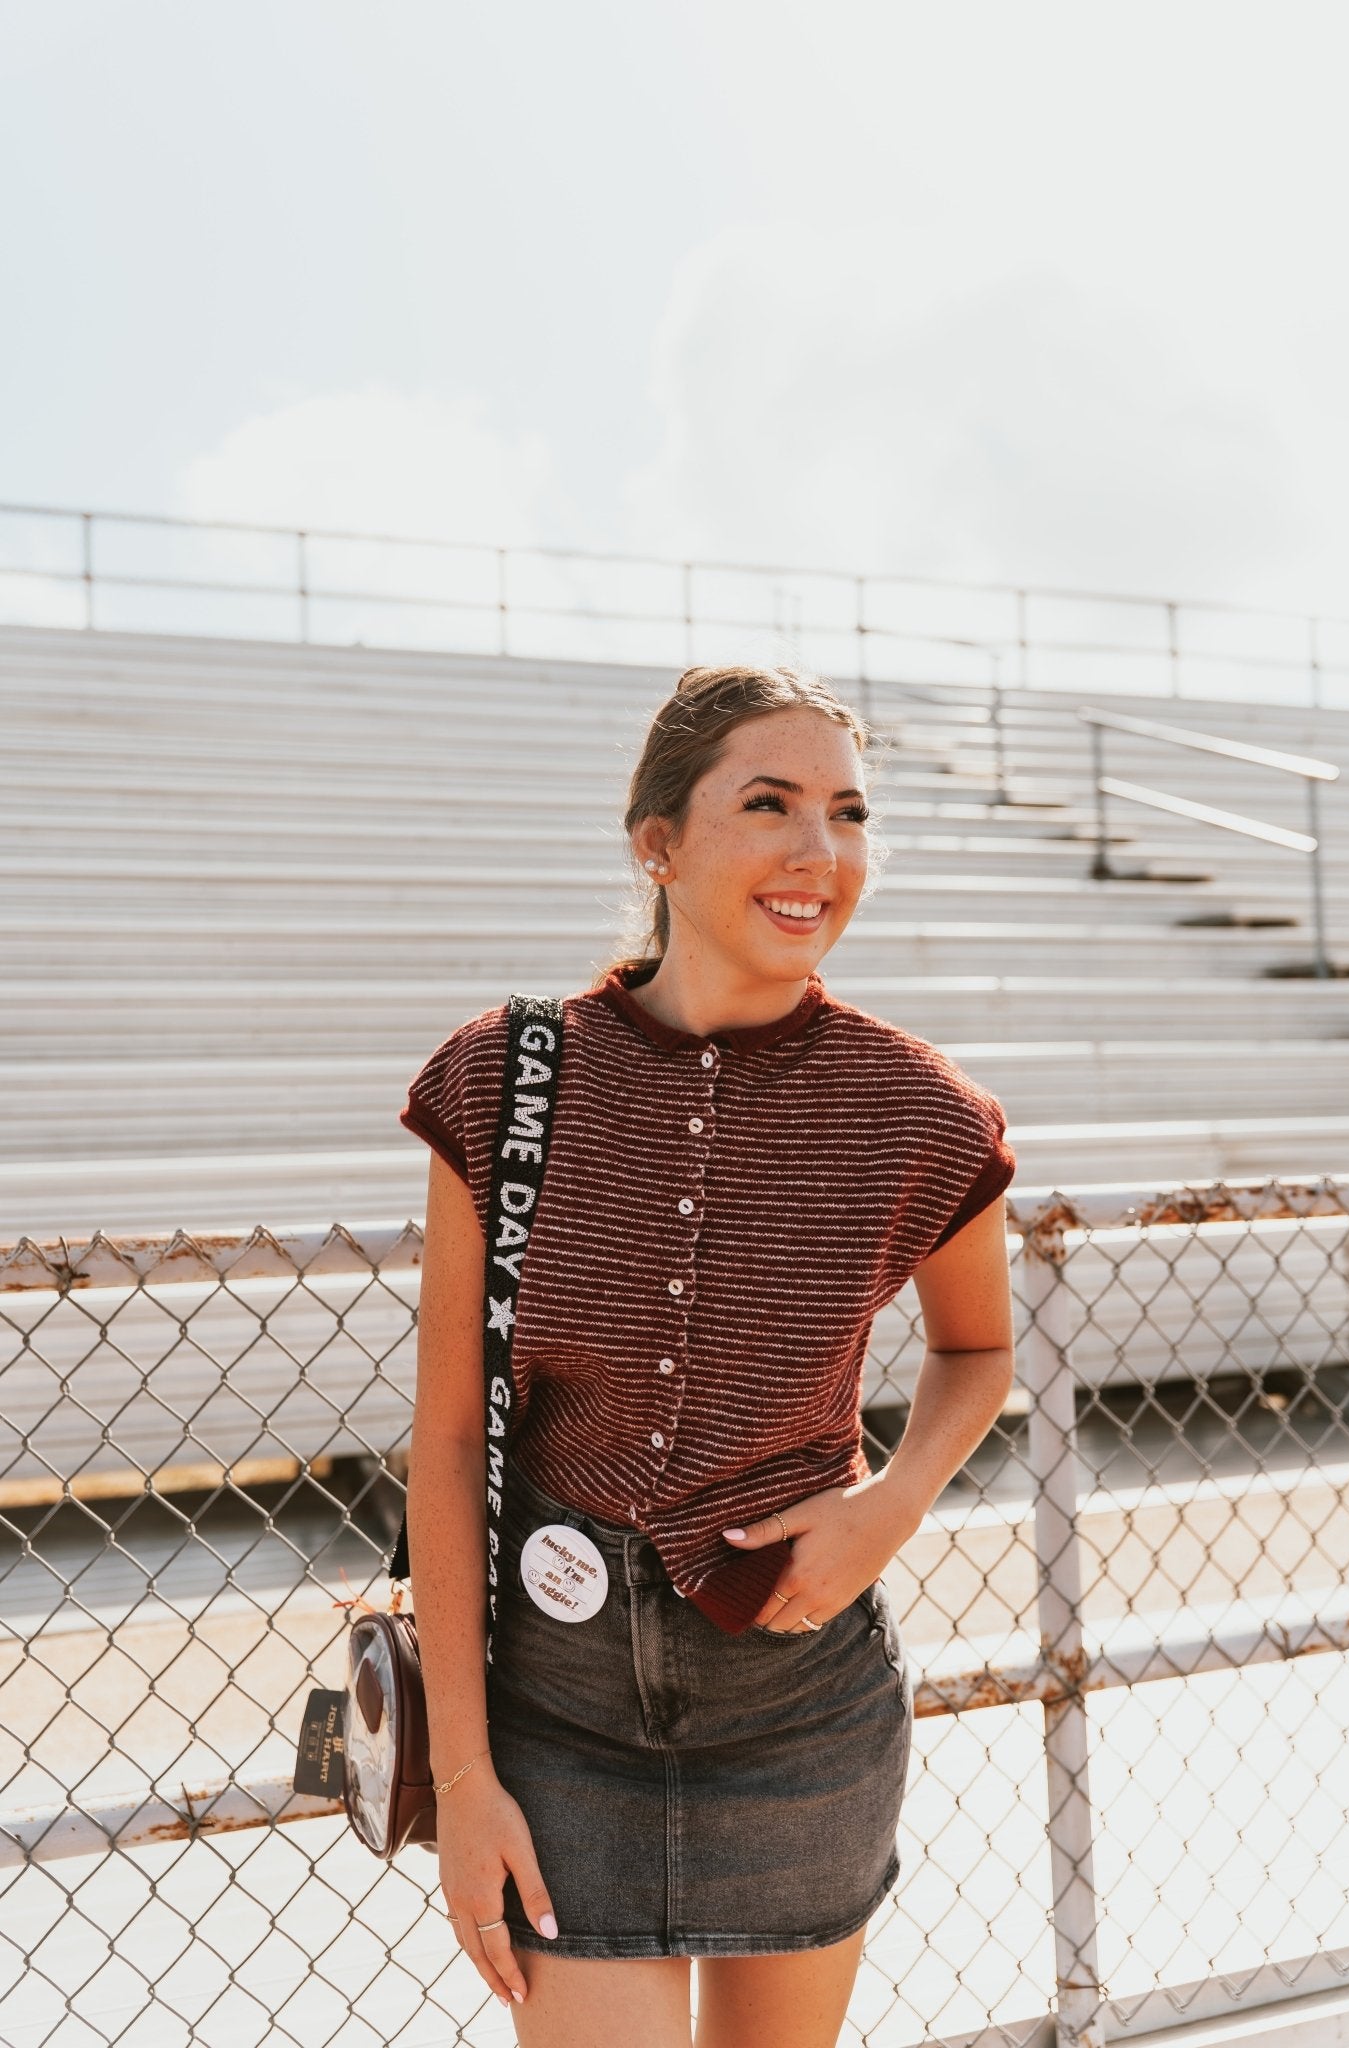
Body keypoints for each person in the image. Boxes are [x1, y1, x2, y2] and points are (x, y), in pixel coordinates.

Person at [398, 663, 1018, 2048]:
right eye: (769, 803)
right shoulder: (499, 1079)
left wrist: (888, 1506)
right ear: (658, 843)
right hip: (555, 1715)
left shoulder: (922, 1111)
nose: (821, 852)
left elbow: (976, 1351)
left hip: (802, 1713)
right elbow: (443, 1438)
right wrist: (465, 1778)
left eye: (848, 812)